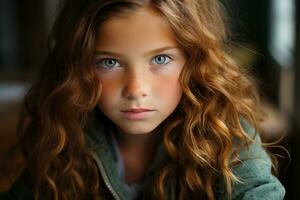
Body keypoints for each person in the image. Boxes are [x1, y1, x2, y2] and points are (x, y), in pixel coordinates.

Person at [0, 0, 285, 199]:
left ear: (194, 61)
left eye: (160, 59)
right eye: (110, 62)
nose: (136, 89)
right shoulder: (63, 132)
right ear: (79, 68)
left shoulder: (226, 134)